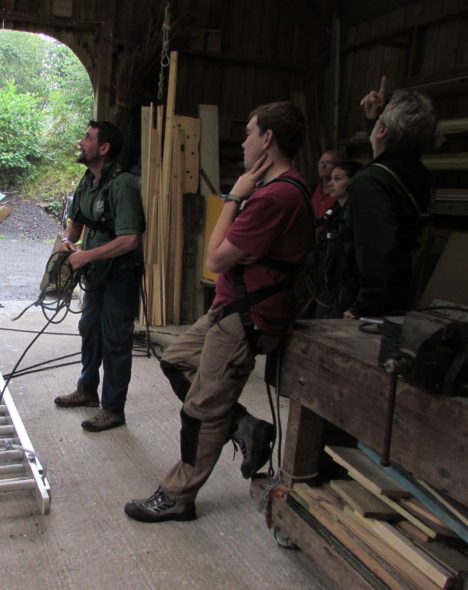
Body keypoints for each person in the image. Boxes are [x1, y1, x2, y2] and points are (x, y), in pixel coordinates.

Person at [124, 101, 314, 523]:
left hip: (246, 319)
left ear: (267, 139)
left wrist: (232, 196)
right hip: (230, 309)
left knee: (201, 410)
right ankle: (246, 426)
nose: (244, 141)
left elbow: (215, 259)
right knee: (175, 360)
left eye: (249, 132)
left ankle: (177, 496)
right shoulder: (277, 190)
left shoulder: (274, 197)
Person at [53, 121, 145, 432]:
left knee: (116, 341)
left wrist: (85, 256)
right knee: (89, 330)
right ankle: (87, 390)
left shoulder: (123, 185)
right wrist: (69, 241)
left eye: (88, 138)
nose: (81, 142)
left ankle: (113, 409)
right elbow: (76, 224)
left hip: (120, 276)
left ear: (103, 148)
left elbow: (130, 239)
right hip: (95, 274)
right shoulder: (87, 182)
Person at [343, 83, 436, 319]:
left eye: (380, 122)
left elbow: (378, 252)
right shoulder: (417, 172)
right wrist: (377, 119)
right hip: (399, 298)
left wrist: (360, 308)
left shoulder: (371, 181)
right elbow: (389, 154)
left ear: (383, 131)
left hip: (367, 305)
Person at [311, 160, 362, 318]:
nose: (331, 184)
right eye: (332, 178)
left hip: (348, 290)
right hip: (328, 287)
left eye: (338, 179)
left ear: (352, 182)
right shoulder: (334, 214)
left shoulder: (358, 217)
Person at [311, 149, 342, 221]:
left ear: (338, 166)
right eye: (321, 162)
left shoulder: (341, 192)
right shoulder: (311, 191)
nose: (323, 166)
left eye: (328, 162)